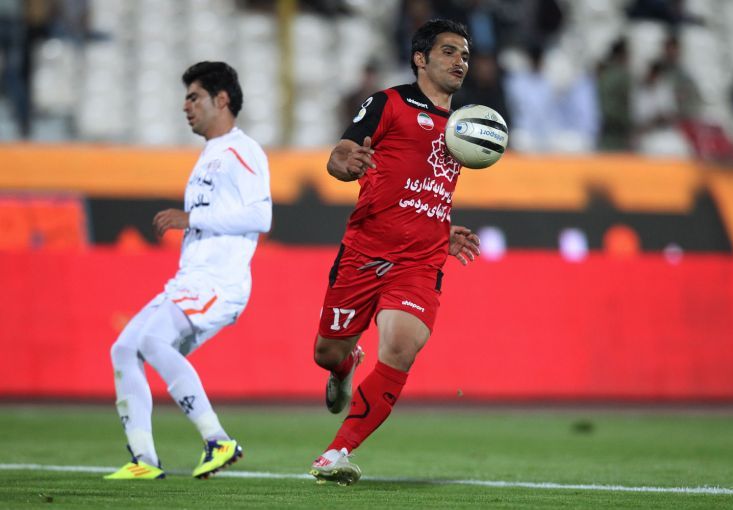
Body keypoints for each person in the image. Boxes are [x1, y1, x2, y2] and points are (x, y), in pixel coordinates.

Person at [308, 19, 481, 486]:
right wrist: (345, 164)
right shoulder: (389, 103)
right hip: (364, 252)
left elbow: (428, 184)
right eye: (449, 52)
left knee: (402, 348)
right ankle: (345, 365)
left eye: (465, 55)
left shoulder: (465, 127)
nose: (460, 62)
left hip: (421, 261)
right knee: (327, 352)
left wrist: (438, 228)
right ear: (420, 59)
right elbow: (340, 154)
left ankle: (335, 453)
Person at [104, 61, 272, 480]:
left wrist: (192, 218)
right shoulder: (209, 156)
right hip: (191, 278)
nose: (185, 106)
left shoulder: (242, 150)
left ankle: (218, 440)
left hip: (220, 279)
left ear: (222, 99)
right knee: (125, 349)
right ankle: (144, 459)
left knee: (153, 340)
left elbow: (261, 216)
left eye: (194, 97)